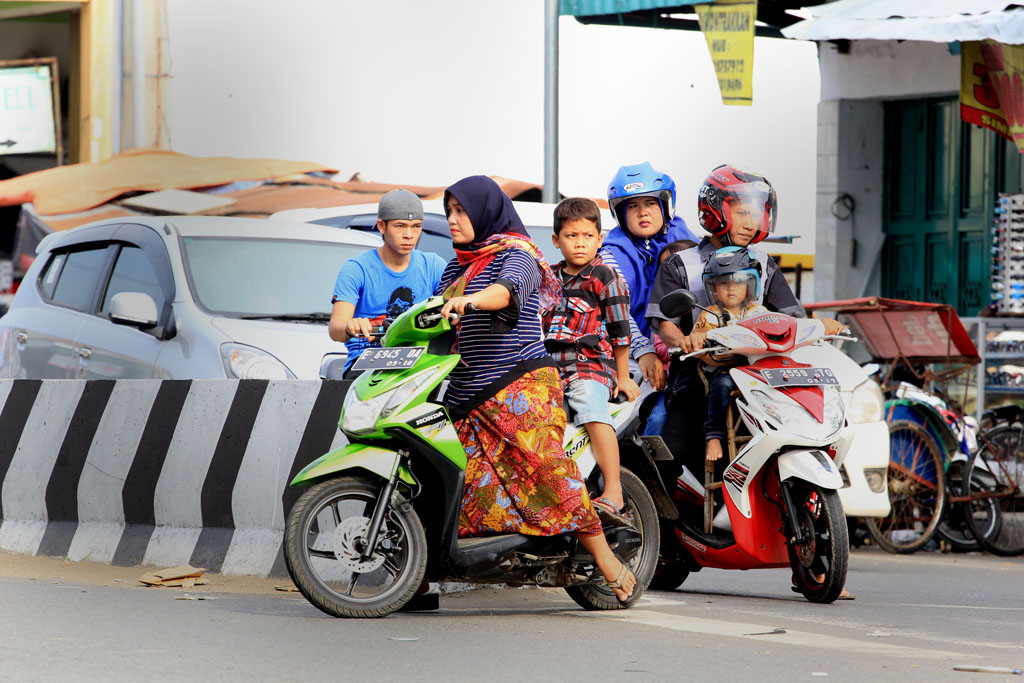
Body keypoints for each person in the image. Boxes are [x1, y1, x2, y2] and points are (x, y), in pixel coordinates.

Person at [436, 175, 639, 603]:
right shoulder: (457, 265)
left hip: (520, 385)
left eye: (461, 211)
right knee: (458, 483)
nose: (454, 220)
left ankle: (604, 557)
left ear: (485, 212)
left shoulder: (519, 255)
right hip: (466, 391)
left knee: (547, 473)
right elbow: (432, 311)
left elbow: (504, 293)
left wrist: (468, 302)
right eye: (449, 211)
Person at [646, 164, 843, 477]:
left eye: (757, 214)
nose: (751, 223)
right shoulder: (682, 263)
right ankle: (670, 522)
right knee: (673, 451)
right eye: (742, 212)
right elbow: (664, 322)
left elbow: (789, 315)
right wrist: (686, 340)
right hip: (700, 371)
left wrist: (818, 327)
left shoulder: (764, 263)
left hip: (760, 373)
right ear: (712, 211)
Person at [543, 197, 640, 525]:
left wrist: (624, 377)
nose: (580, 243)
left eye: (587, 235)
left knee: (590, 406)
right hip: (549, 366)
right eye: (571, 236)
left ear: (599, 239)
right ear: (557, 241)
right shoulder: (548, 278)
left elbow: (620, 332)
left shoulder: (604, 276)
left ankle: (614, 489)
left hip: (590, 365)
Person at [600, 162, 699, 393]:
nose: (643, 212)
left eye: (651, 203)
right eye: (632, 205)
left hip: (695, 348)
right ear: (620, 213)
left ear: (665, 206)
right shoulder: (610, 254)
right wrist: (644, 351)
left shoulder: (690, 243)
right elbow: (618, 310)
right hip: (632, 354)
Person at [329, 189, 447, 374]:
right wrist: (349, 326)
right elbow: (335, 328)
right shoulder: (357, 268)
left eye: (416, 226)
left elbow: (454, 310)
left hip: (418, 364)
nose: (409, 234)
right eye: (400, 226)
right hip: (366, 364)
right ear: (381, 226)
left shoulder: (433, 265)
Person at [689, 247, 769, 463]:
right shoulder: (711, 313)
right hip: (728, 368)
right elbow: (698, 333)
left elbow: (778, 330)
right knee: (721, 385)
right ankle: (713, 435)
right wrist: (696, 337)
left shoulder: (759, 312)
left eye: (738, 282)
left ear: (751, 285)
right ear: (713, 287)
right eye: (723, 283)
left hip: (758, 371)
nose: (731, 288)